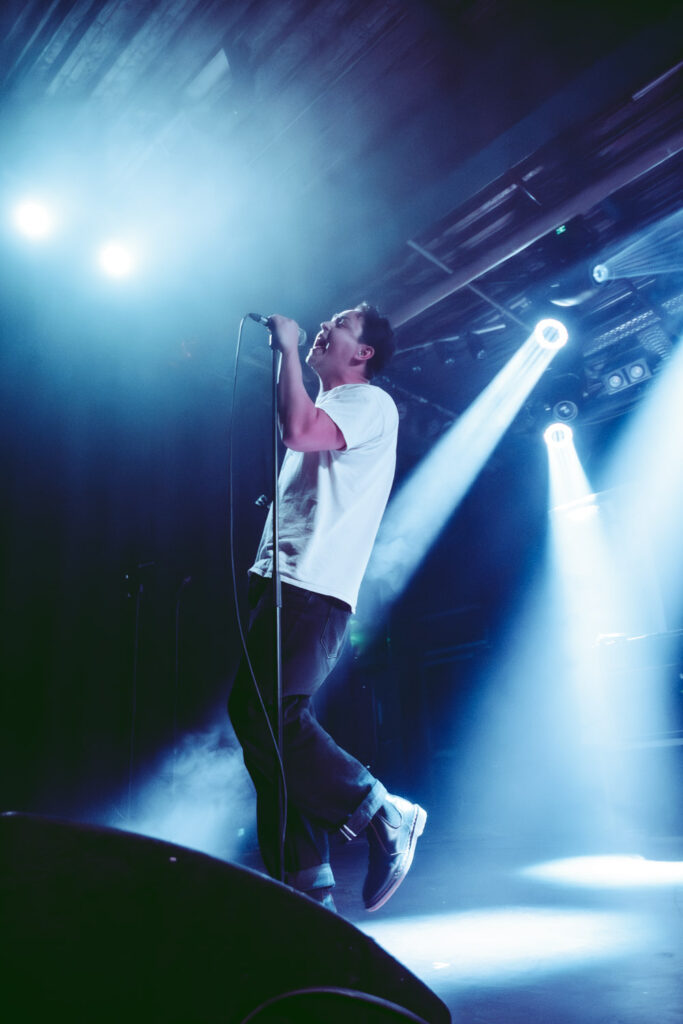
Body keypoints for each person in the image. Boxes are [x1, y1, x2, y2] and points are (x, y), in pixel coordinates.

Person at [228, 302, 426, 913]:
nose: (324, 326)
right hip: (285, 582)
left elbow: (297, 431)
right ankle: (306, 885)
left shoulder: (368, 401)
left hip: (312, 587)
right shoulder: (334, 405)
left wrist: (287, 351)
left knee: (264, 716)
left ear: (363, 353)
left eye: (340, 323)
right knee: (268, 735)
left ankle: (381, 810)